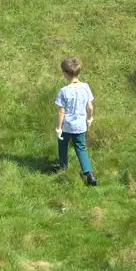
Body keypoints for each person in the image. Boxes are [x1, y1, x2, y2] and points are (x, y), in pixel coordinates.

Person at [53, 57, 97, 186]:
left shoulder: (64, 91)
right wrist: (89, 118)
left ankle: (63, 168)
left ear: (66, 74)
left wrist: (58, 128)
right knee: (81, 148)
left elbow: (62, 111)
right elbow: (90, 107)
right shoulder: (85, 87)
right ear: (79, 72)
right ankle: (89, 174)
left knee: (63, 146)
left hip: (67, 126)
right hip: (80, 125)